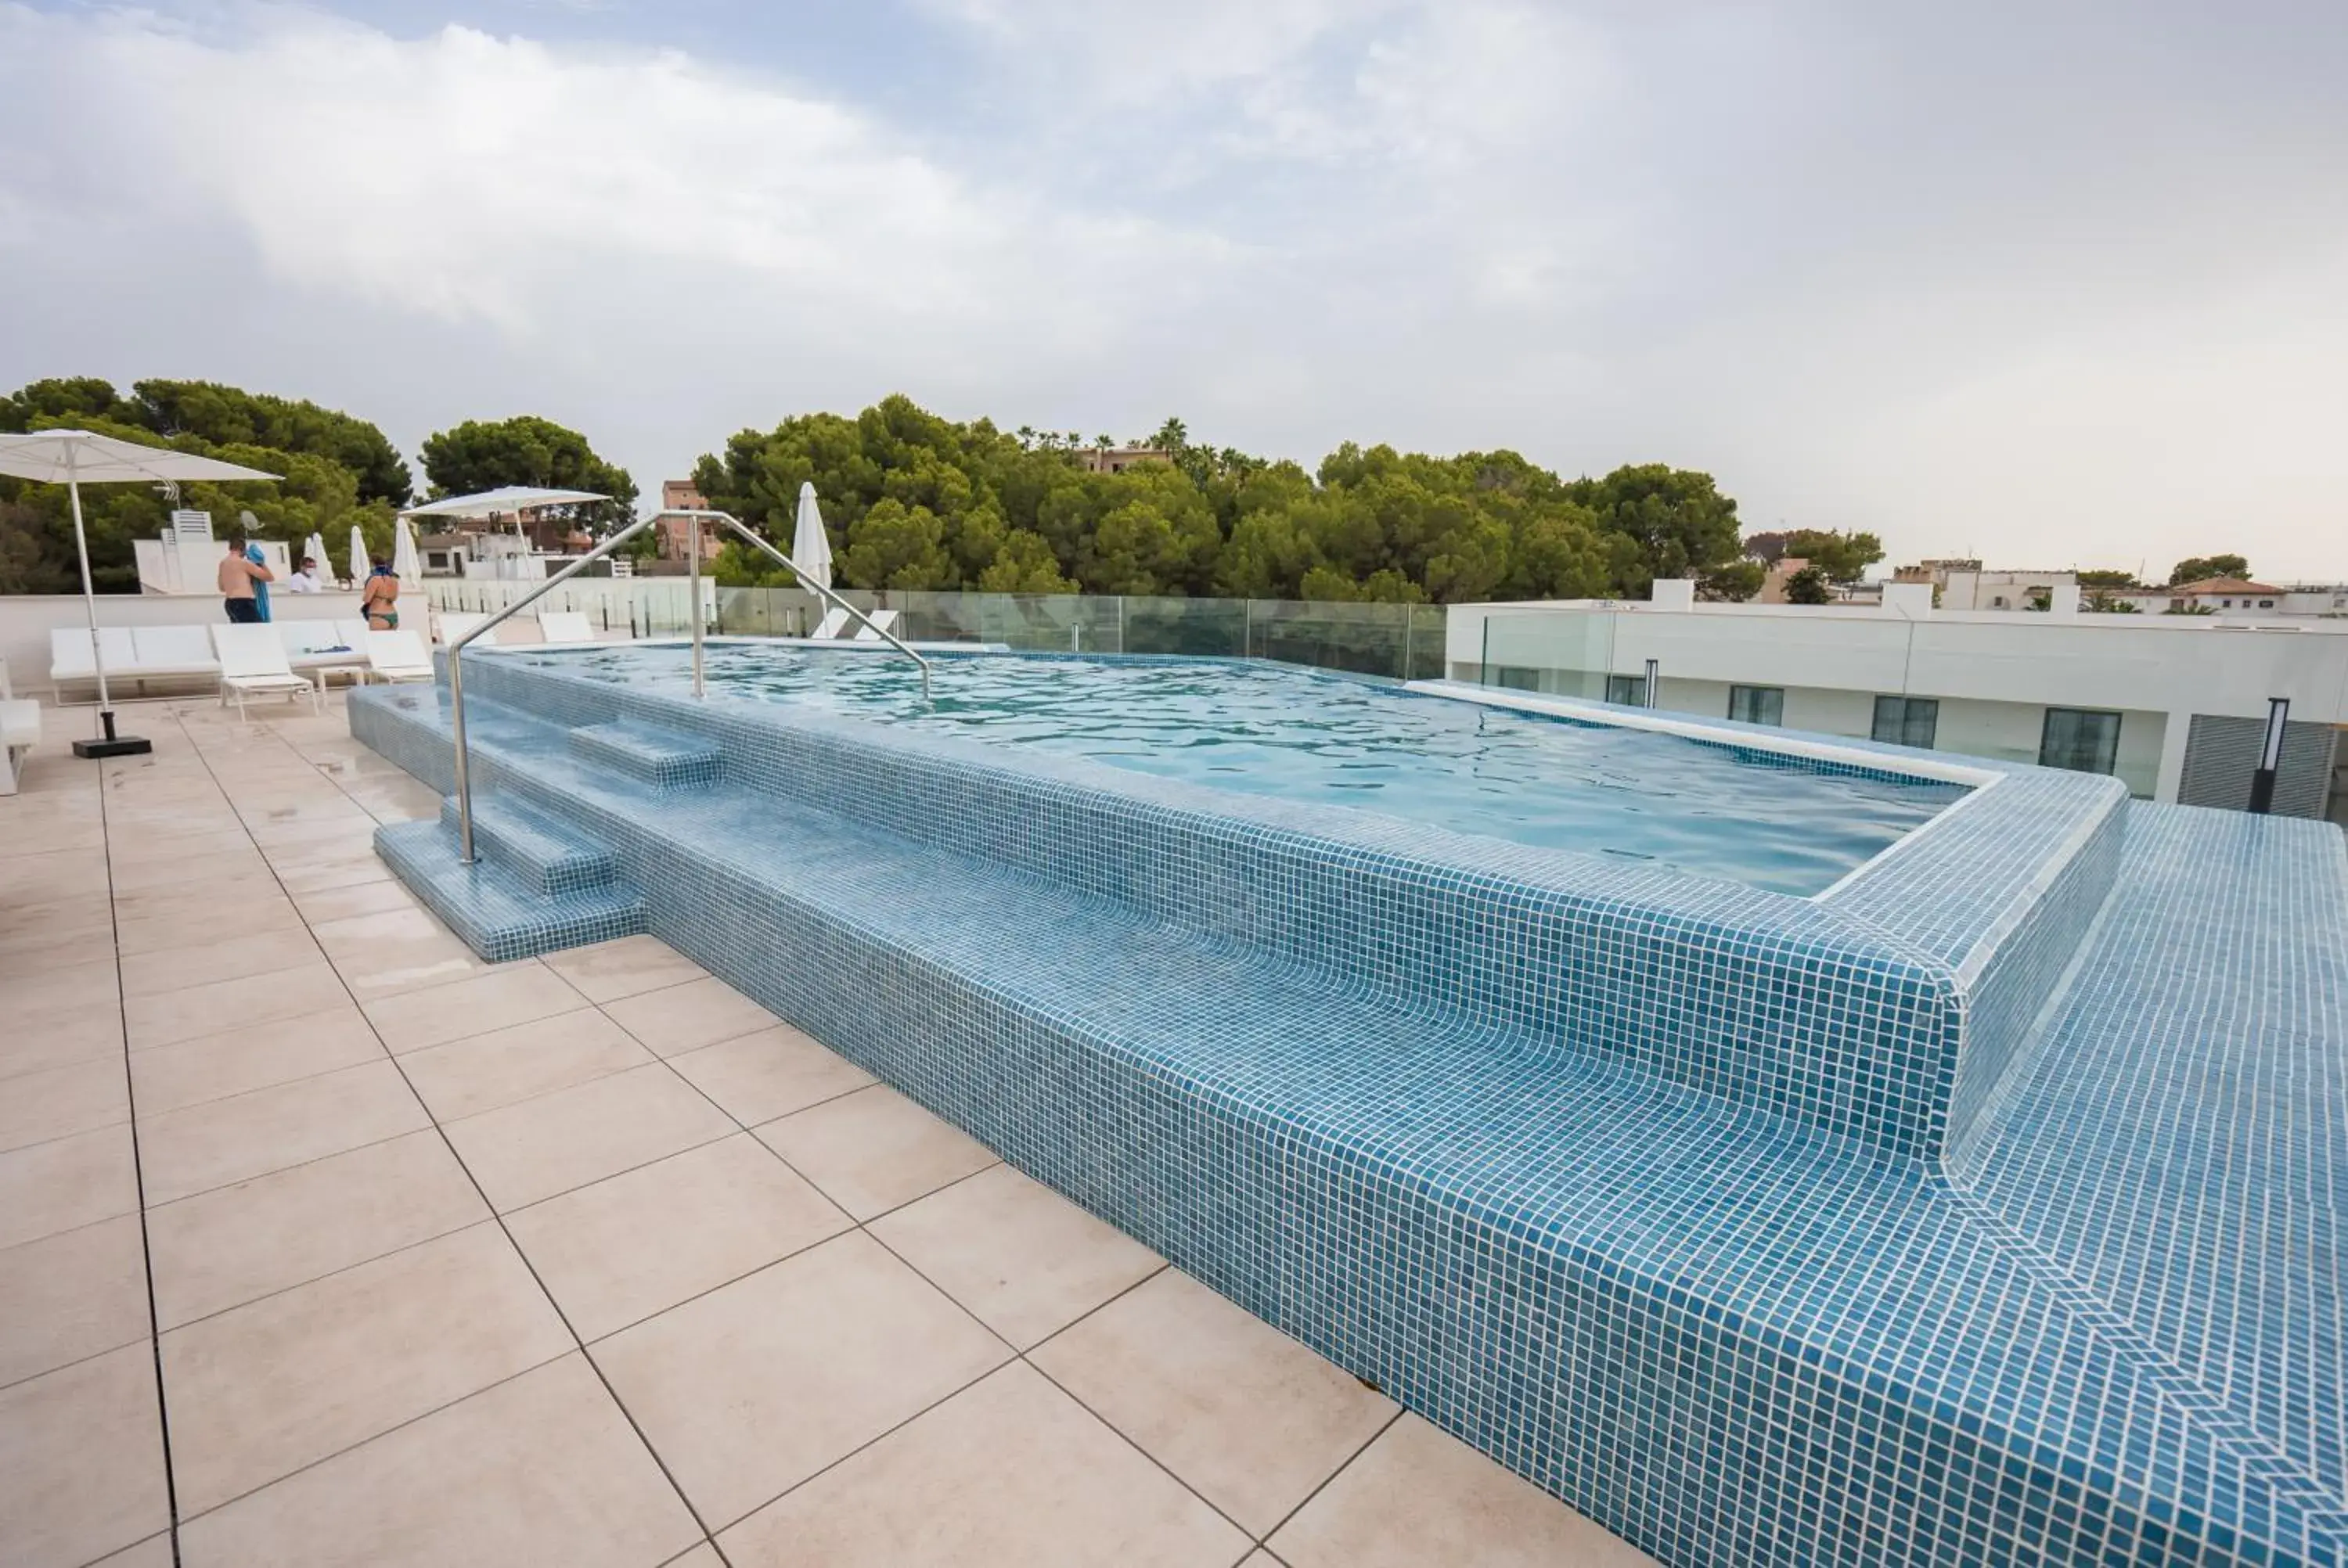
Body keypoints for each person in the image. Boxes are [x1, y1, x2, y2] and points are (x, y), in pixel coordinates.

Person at [218, 532, 273, 624]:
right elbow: (269, 577)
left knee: (241, 633)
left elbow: (222, 588)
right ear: (243, 549)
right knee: (259, 631)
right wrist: (261, 562)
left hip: (229, 603)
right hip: (244, 602)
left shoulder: (223, 564)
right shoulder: (244, 563)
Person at [362, 560, 401, 631]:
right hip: (393, 615)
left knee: (378, 641)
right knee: (392, 641)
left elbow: (366, 599)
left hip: (378, 615)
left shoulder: (375, 579)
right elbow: (394, 598)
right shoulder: (394, 580)